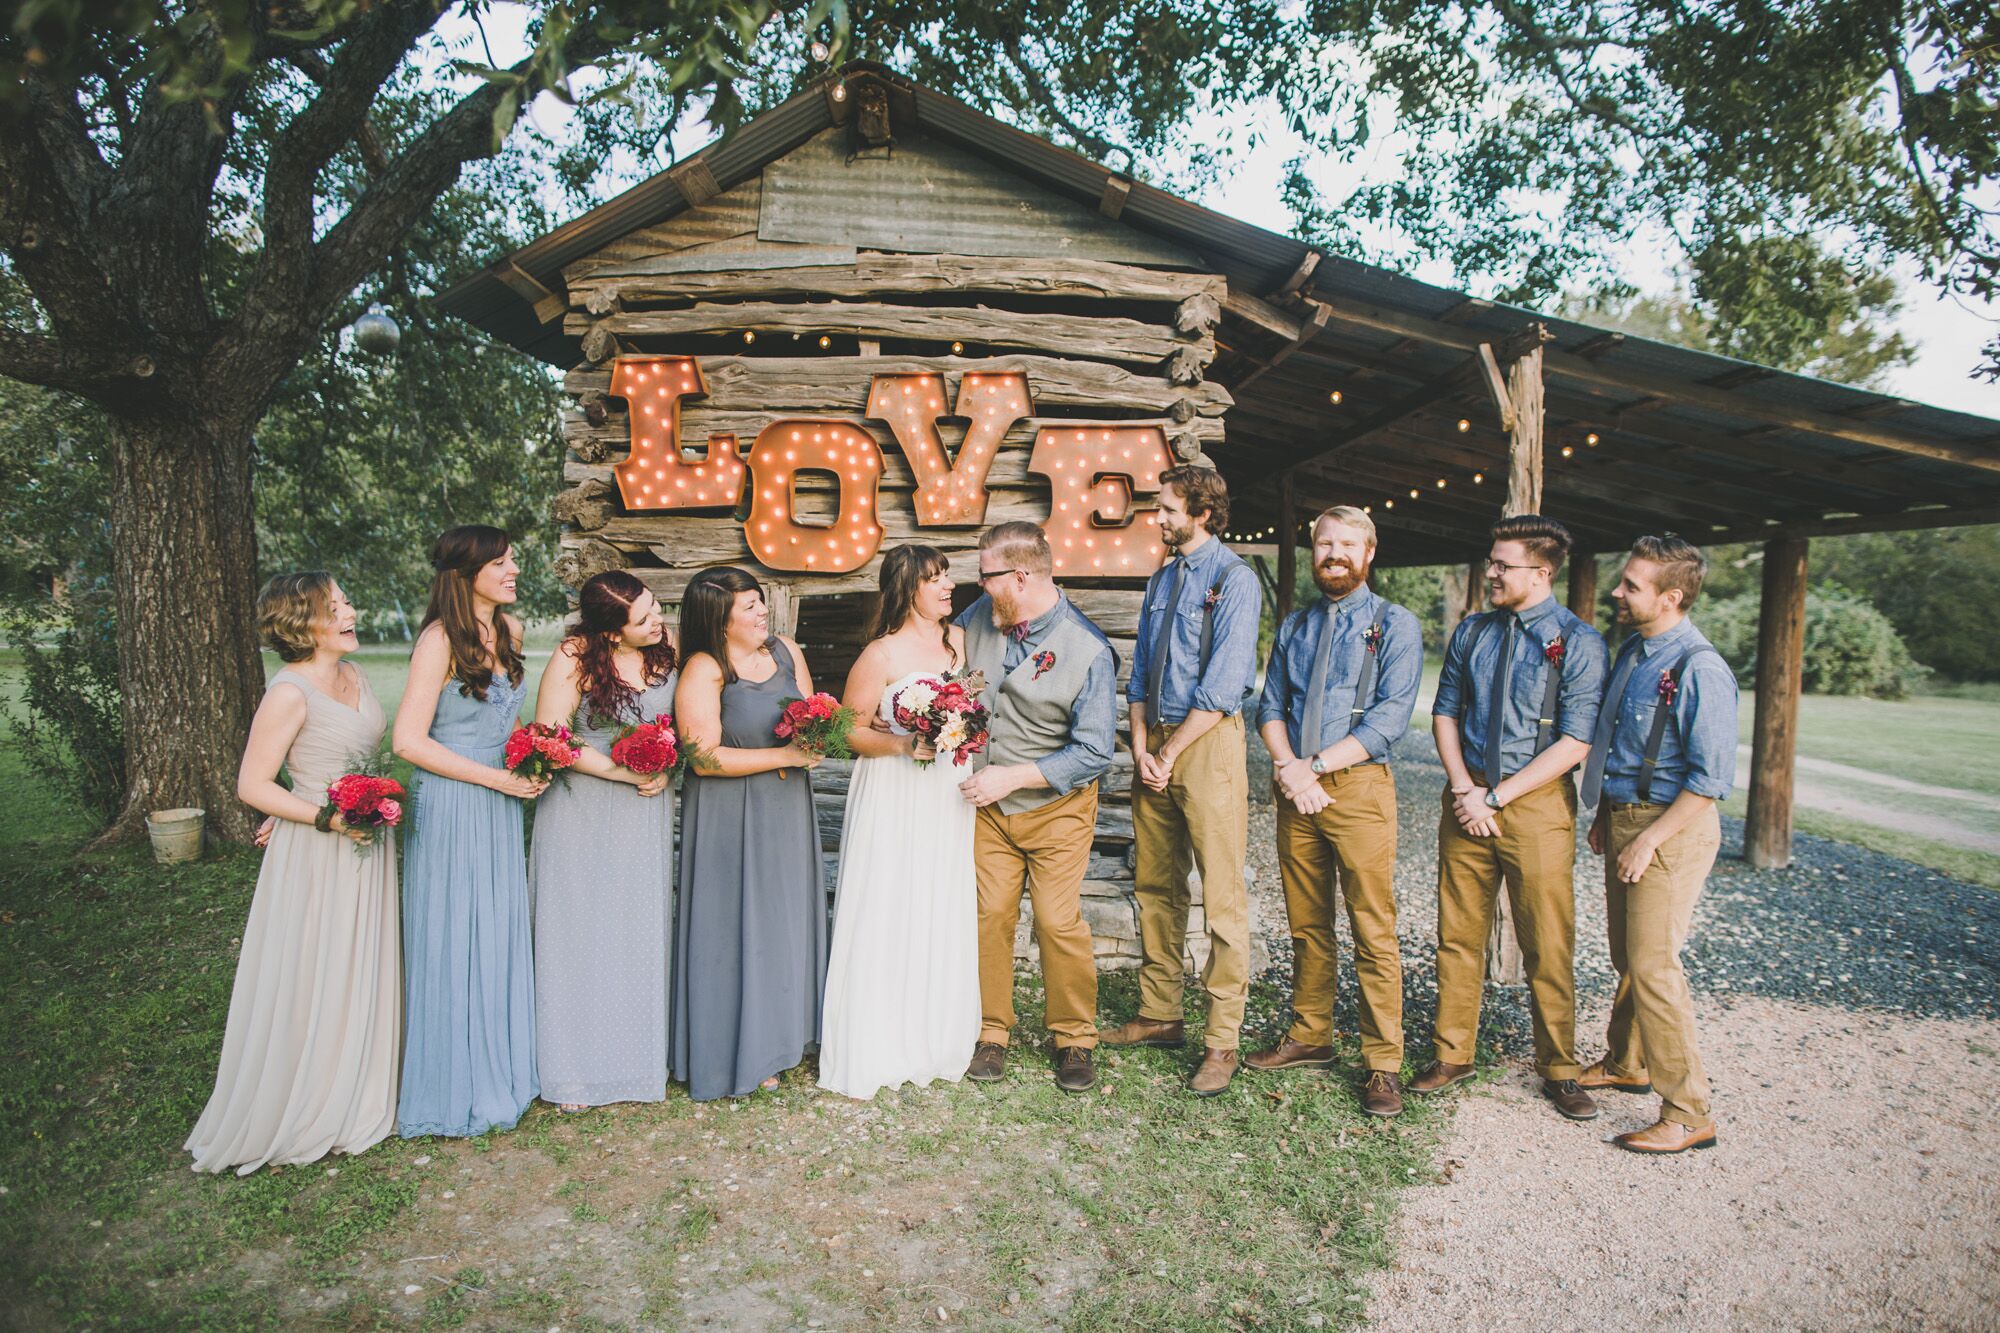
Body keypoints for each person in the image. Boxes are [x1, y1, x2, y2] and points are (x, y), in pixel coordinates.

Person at [187, 574, 401, 1173]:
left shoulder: (354, 676)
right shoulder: (288, 693)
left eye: (347, 602)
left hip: (365, 840)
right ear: (303, 623)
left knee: (358, 958)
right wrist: (321, 817)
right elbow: (251, 785)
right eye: (335, 608)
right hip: (321, 847)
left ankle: (354, 1088)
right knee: (317, 962)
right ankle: (304, 1099)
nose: (350, 612)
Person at [1416, 514, 1608, 1121]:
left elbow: (1576, 742)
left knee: (1547, 940)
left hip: (1536, 805)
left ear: (1541, 572)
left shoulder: (1579, 642)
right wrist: (1464, 788)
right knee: (1457, 935)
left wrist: (1494, 800)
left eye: (1503, 565)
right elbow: (1445, 712)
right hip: (1465, 797)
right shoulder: (1472, 631)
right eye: (1491, 562)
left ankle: (1560, 1067)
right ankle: (1452, 1053)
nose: (1491, 573)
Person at [1248, 506, 1422, 1116]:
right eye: (1325, 544)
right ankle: (1310, 1036)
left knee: (1373, 928)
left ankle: (1382, 1063)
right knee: (1306, 923)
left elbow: (1390, 719)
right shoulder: (1294, 625)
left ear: (1369, 553)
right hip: (1296, 789)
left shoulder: (1396, 625)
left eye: (1347, 545)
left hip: (1357, 789)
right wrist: (1291, 770)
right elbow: (1269, 705)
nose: (1334, 555)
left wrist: (1311, 768)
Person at [1098, 465, 1261, 1097]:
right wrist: (1141, 745)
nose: (1157, 517)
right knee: (1156, 884)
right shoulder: (1163, 576)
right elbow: (1139, 673)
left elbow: (1224, 685)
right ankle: (1159, 1013)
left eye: (1167, 508)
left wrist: (1172, 750)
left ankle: (1221, 1040)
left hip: (1207, 745)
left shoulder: (1234, 579)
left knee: (1221, 896)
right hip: (1155, 744)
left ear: (1202, 512)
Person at [1578, 536, 1738, 1154]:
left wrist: (1647, 840)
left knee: (1653, 966)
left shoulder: (1700, 668)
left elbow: (1709, 781)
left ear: (1670, 597)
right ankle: (1627, 1063)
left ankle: (1688, 1111)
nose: (1619, 592)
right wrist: (1607, 815)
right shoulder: (1634, 652)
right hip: (1625, 816)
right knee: (1629, 957)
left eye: (1632, 585)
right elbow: (1617, 741)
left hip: (1670, 829)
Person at [392, 525, 544, 1139]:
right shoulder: (437, 641)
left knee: (499, 925)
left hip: (500, 804)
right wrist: (498, 779)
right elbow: (407, 741)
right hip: (456, 803)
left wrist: (531, 759)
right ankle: (454, 1080)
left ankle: (502, 1066)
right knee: (457, 930)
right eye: (502, 563)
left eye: (512, 561)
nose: (513, 571)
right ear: (466, 572)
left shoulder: (510, 632)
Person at [956, 522, 1118, 1093]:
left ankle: (1074, 1038)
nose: (976, 584)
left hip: (1057, 809)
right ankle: (990, 1032)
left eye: (985, 575)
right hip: (988, 811)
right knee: (990, 915)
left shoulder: (1089, 648)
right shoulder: (978, 617)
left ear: (1020, 577)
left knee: (1056, 920)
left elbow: (1096, 750)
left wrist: (1014, 777)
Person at [818, 545, 980, 1099]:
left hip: (945, 789)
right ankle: (880, 1038)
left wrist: (963, 726)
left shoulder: (957, 641)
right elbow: (848, 731)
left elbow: (969, 704)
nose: (947, 586)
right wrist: (902, 741)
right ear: (907, 587)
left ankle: (934, 1034)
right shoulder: (879, 655)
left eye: (947, 577)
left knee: (939, 899)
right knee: (891, 900)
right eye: (936, 579)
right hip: (894, 787)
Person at [669, 566, 828, 1101]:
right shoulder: (705, 669)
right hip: (729, 813)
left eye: (761, 602)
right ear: (719, 620)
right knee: (732, 927)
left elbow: (811, 717)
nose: (763, 611)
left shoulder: (786, 651)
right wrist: (784, 754)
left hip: (785, 808)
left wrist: (820, 734)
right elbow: (703, 757)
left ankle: (784, 1036)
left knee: (782, 919)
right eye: (750, 607)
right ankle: (736, 1048)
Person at [529, 571, 678, 1112]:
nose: (656, 620)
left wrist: (669, 763)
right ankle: (577, 1068)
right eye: (643, 619)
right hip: (583, 810)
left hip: (645, 810)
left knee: (636, 926)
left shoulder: (666, 650)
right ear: (612, 633)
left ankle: (636, 1060)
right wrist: (622, 771)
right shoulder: (575, 655)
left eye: (655, 607)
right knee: (583, 929)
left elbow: (680, 725)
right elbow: (547, 738)